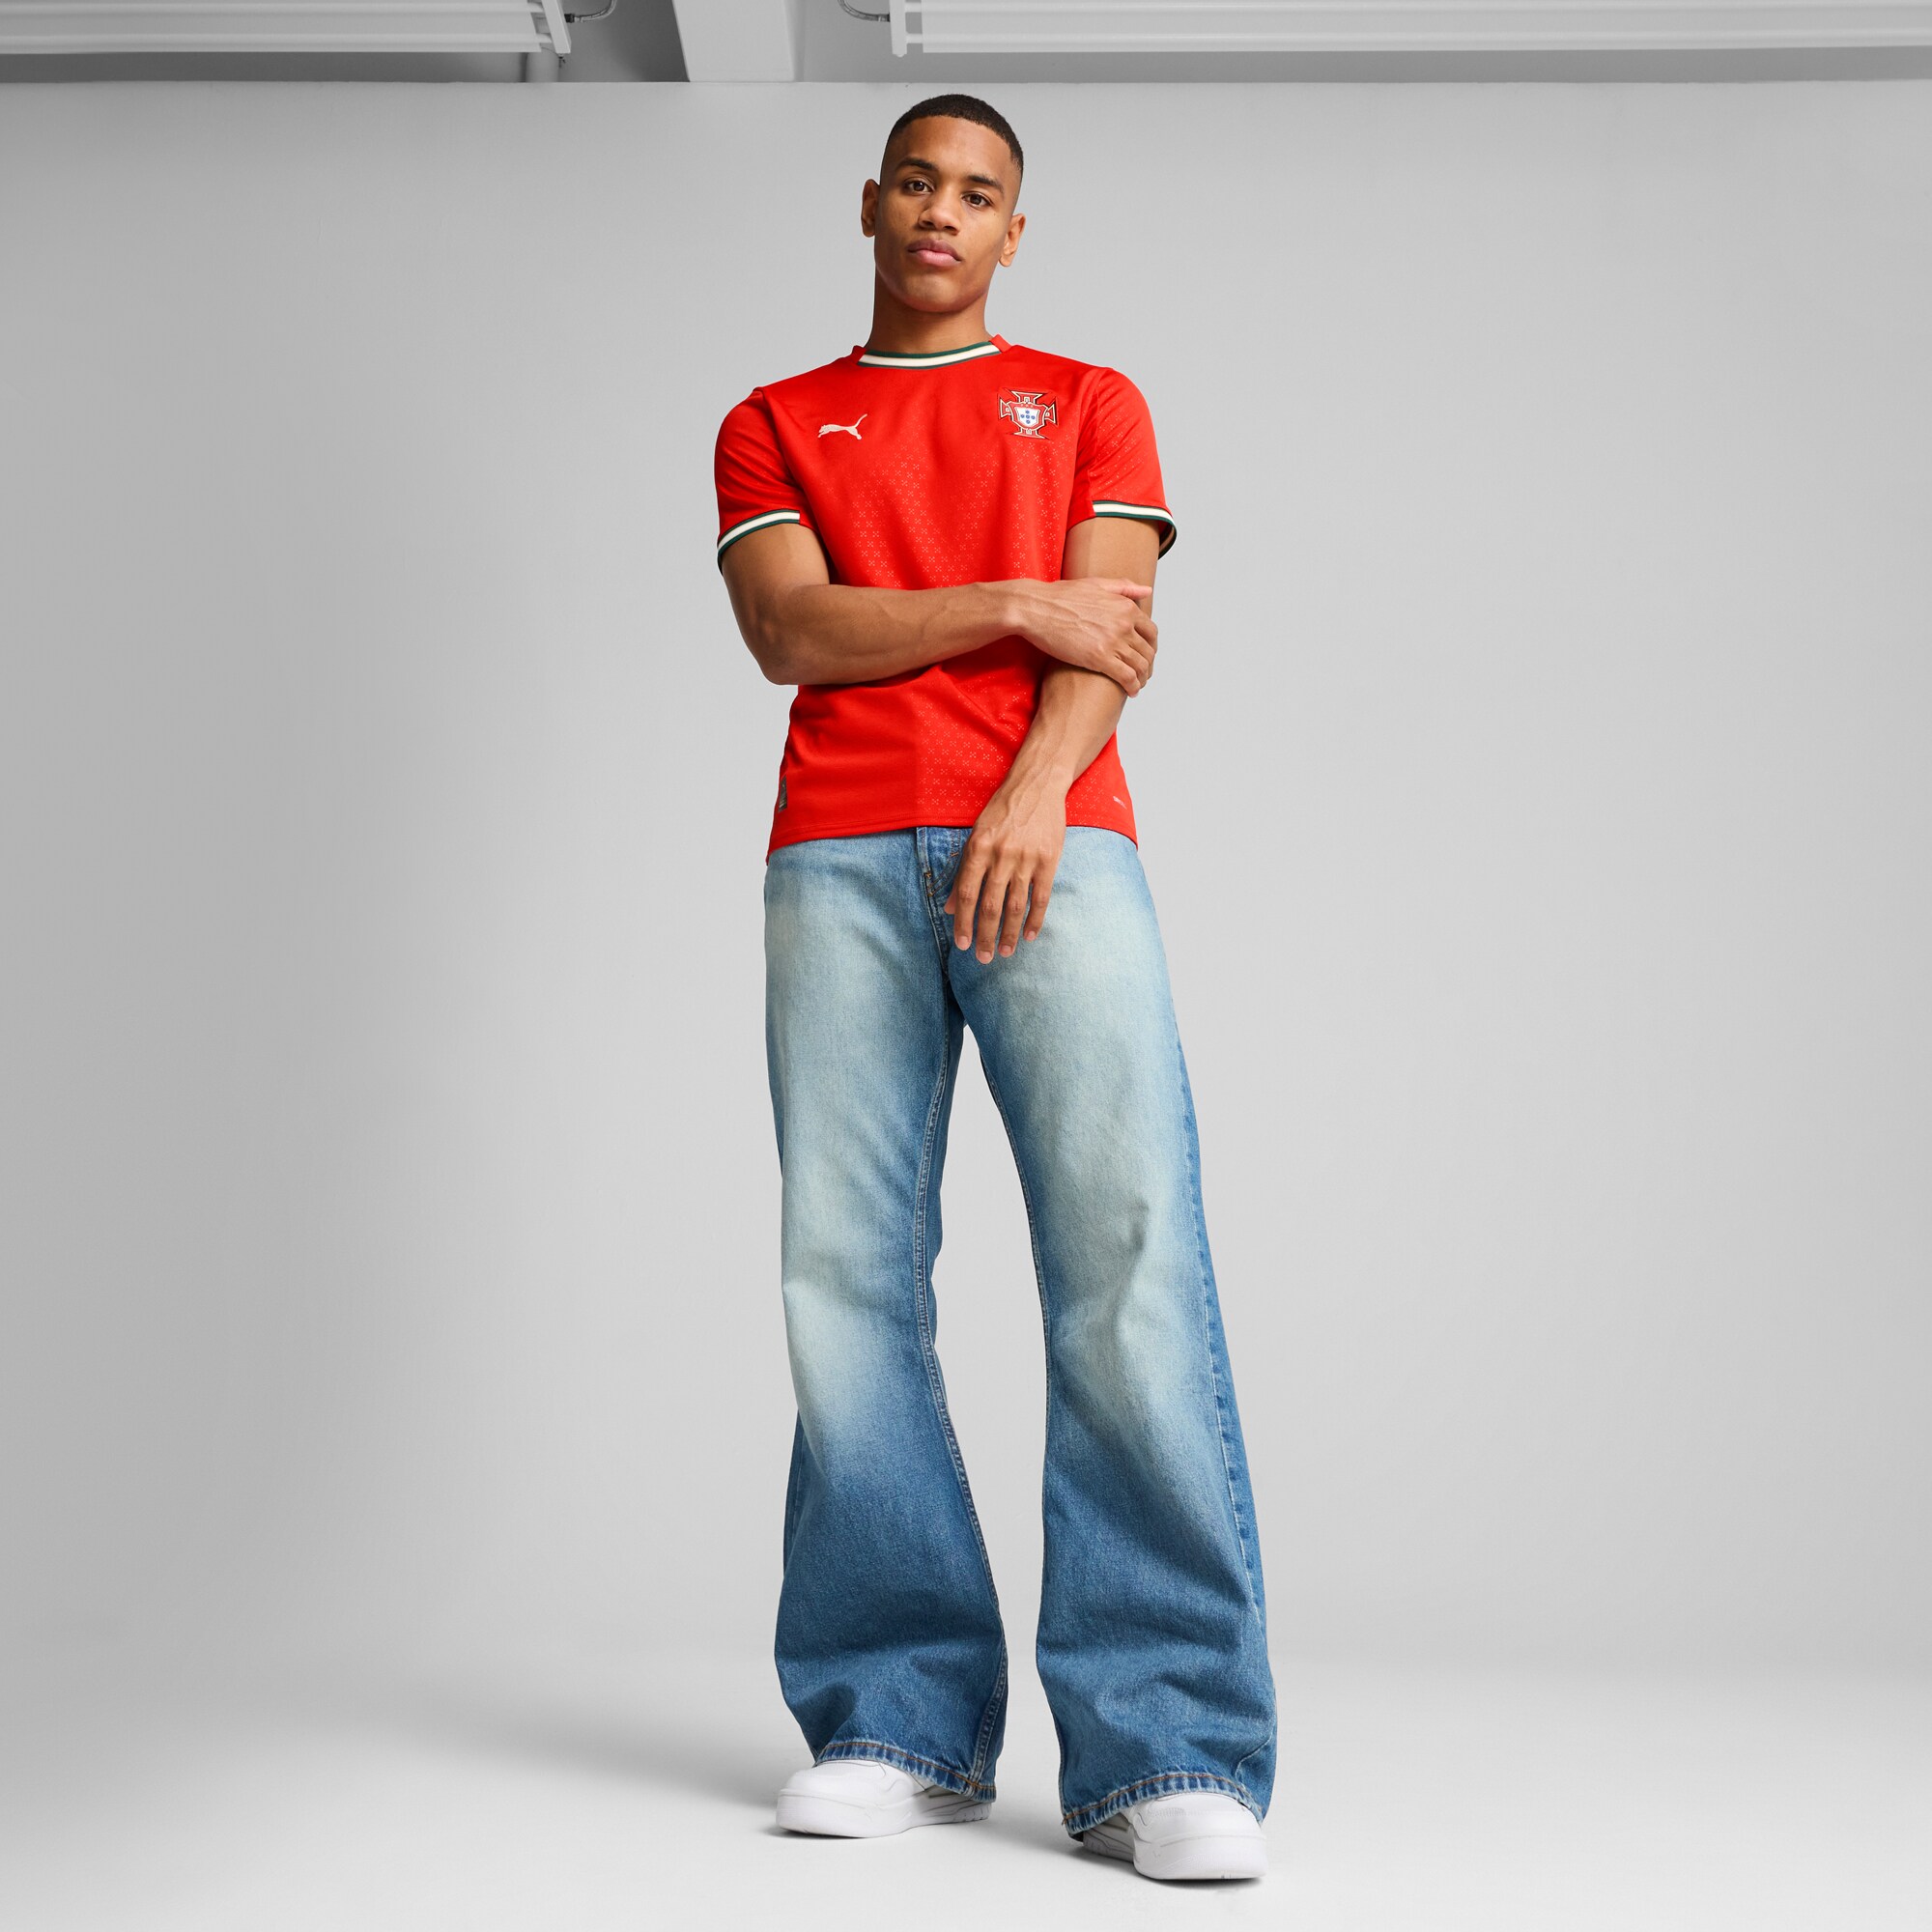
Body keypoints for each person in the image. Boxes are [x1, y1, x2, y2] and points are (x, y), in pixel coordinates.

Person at [712, 93, 1276, 1885]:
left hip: (1059, 842)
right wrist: (1017, 597)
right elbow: (793, 632)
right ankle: (892, 1717)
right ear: (872, 204)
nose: (943, 211)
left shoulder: (1091, 399)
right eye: (918, 182)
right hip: (836, 859)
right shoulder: (772, 420)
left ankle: (1169, 1745)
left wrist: (1029, 790)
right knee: (844, 1279)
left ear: (1013, 232)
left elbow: (1116, 634)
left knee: (1128, 1258)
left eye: (979, 193)